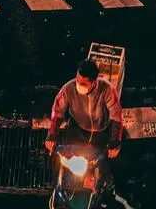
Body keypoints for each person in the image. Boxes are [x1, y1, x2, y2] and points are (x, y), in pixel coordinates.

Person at [46, 59, 122, 195]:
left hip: (101, 132)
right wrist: (51, 135)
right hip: (77, 130)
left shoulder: (107, 89)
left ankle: (100, 192)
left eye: (82, 83)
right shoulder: (69, 88)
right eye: (77, 80)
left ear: (93, 82)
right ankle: (63, 191)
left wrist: (115, 141)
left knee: (101, 164)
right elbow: (57, 111)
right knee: (66, 162)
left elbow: (116, 116)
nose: (78, 85)